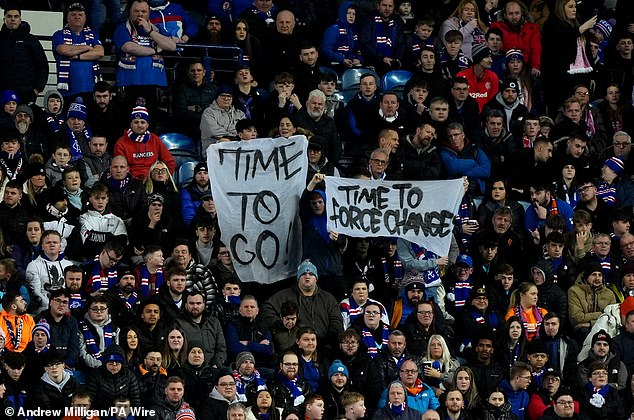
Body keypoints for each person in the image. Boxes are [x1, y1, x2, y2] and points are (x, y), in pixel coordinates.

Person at [113, 0, 177, 113]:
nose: (140, 14)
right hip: (129, 83)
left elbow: (171, 46)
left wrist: (150, 31)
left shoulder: (157, 28)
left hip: (154, 82)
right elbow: (129, 47)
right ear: (130, 12)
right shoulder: (122, 28)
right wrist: (155, 50)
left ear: (149, 13)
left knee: (151, 121)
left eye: (143, 11)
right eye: (136, 11)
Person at [541, 0, 597, 114]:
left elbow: (586, 51)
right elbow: (562, 40)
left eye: (575, 6)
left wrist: (592, 75)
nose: (574, 9)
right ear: (561, 8)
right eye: (570, 7)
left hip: (582, 76)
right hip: (560, 79)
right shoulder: (551, 24)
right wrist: (582, 28)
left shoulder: (578, 22)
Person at [52, 3, 104, 99]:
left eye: (80, 14)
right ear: (67, 18)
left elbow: (99, 52)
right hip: (68, 91)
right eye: (73, 14)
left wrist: (77, 56)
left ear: (85, 17)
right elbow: (63, 50)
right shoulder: (59, 35)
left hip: (90, 89)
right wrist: (87, 48)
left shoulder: (92, 34)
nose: (77, 17)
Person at [0, 7, 48, 104]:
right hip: (2, 93)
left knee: (24, 119)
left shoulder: (31, 40)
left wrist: (37, 89)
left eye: (16, 16)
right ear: (4, 19)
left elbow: (42, 65)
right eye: (9, 16)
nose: (13, 19)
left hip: (26, 94)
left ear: (20, 19)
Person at [114, 106, 175, 181]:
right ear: (131, 124)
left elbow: (169, 161)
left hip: (153, 180)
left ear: (147, 125)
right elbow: (120, 167)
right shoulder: (121, 143)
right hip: (131, 181)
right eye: (136, 122)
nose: (139, 125)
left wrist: (167, 178)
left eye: (142, 122)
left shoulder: (155, 139)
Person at [26, 230, 73, 314]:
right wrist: (52, 306)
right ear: (42, 246)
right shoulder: (33, 265)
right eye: (48, 242)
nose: (52, 244)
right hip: (43, 307)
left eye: (55, 242)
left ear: (60, 246)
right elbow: (35, 292)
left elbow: (73, 289)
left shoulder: (69, 265)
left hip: (67, 306)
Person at [176, 290, 226, 368]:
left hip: (213, 368)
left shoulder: (214, 322)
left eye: (198, 303)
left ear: (204, 305)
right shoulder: (179, 324)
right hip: (187, 369)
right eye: (191, 303)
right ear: (186, 305)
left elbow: (221, 348)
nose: (195, 306)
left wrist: (216, 365)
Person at [489, 1, 541, 74]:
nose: (514, 17)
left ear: (521, 14)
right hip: (502, 65)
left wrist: (535, 66)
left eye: (517, 13)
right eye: (510, 14)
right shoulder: (497, 27)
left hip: (525, 66)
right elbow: (494, 49)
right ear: (505, 15)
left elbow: (536, 50)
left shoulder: (532, 28)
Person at [86, 344, 142, 410]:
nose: (114, 366)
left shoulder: (130, 376)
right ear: (105, 363)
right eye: (111, 363)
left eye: (118, 363)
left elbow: (135, 401)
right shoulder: (95, 375)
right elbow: (91, 400)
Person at [358, 0, 405, 74]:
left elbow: (401, 43)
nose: (387, 8)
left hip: (392, 63)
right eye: (384, 5)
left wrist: (397, 59)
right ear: (378, 6)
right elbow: (365, 44)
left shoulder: (398, 21)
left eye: (390, 6)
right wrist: (382, 58)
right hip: (373, 63)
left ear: (393, 7)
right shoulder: (369, 19)